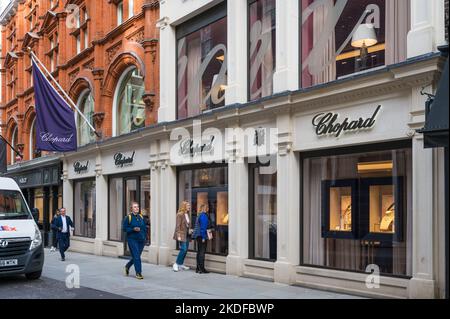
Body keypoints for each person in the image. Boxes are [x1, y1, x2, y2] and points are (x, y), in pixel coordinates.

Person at [122, 201, 148, 280]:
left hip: (141, 240)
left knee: (136, 257)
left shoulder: (141, 217)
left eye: (137, 207)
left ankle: (127, 266)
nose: (137, 208)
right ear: (131, 209)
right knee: (137, 256)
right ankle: (138, 273)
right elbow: (124, 228)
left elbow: (144, 228)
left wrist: (145, 238)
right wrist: (133, 229)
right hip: (132, 240)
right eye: (135, 207)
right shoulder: (128, 217)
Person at [172, 201, 191, 272]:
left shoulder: (187, 214)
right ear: (184, 206)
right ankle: (176, 264)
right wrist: (178, 235)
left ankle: (180, 264)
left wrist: (189, 229)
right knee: (183, 249)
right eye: (188, 205)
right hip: (181, 234)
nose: (189, 206)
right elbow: (177, 226)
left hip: (187, 234)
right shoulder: (179, 214)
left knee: (185, 250)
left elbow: (187, 224)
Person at [192, 203, 210, 274]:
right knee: (202, 253)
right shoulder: (203, 216)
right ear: (206, 208)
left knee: (199, 252)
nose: (208, 209)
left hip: (198, 236)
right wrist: (203, 237)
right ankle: (202, 269)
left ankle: (198, 268)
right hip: (201, 236)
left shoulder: (199, 215)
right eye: (207, 208)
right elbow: (203, 228)